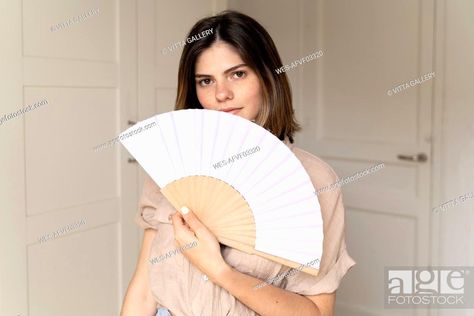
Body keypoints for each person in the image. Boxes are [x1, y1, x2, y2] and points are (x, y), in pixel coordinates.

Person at [121, 10, 355, 316]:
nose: (221, 94)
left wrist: (220, 271)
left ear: (268, 76)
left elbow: (315, 313)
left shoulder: (316, 181)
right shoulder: (172, 164)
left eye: (238, 74)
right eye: (206, 81)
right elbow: (143, 289)